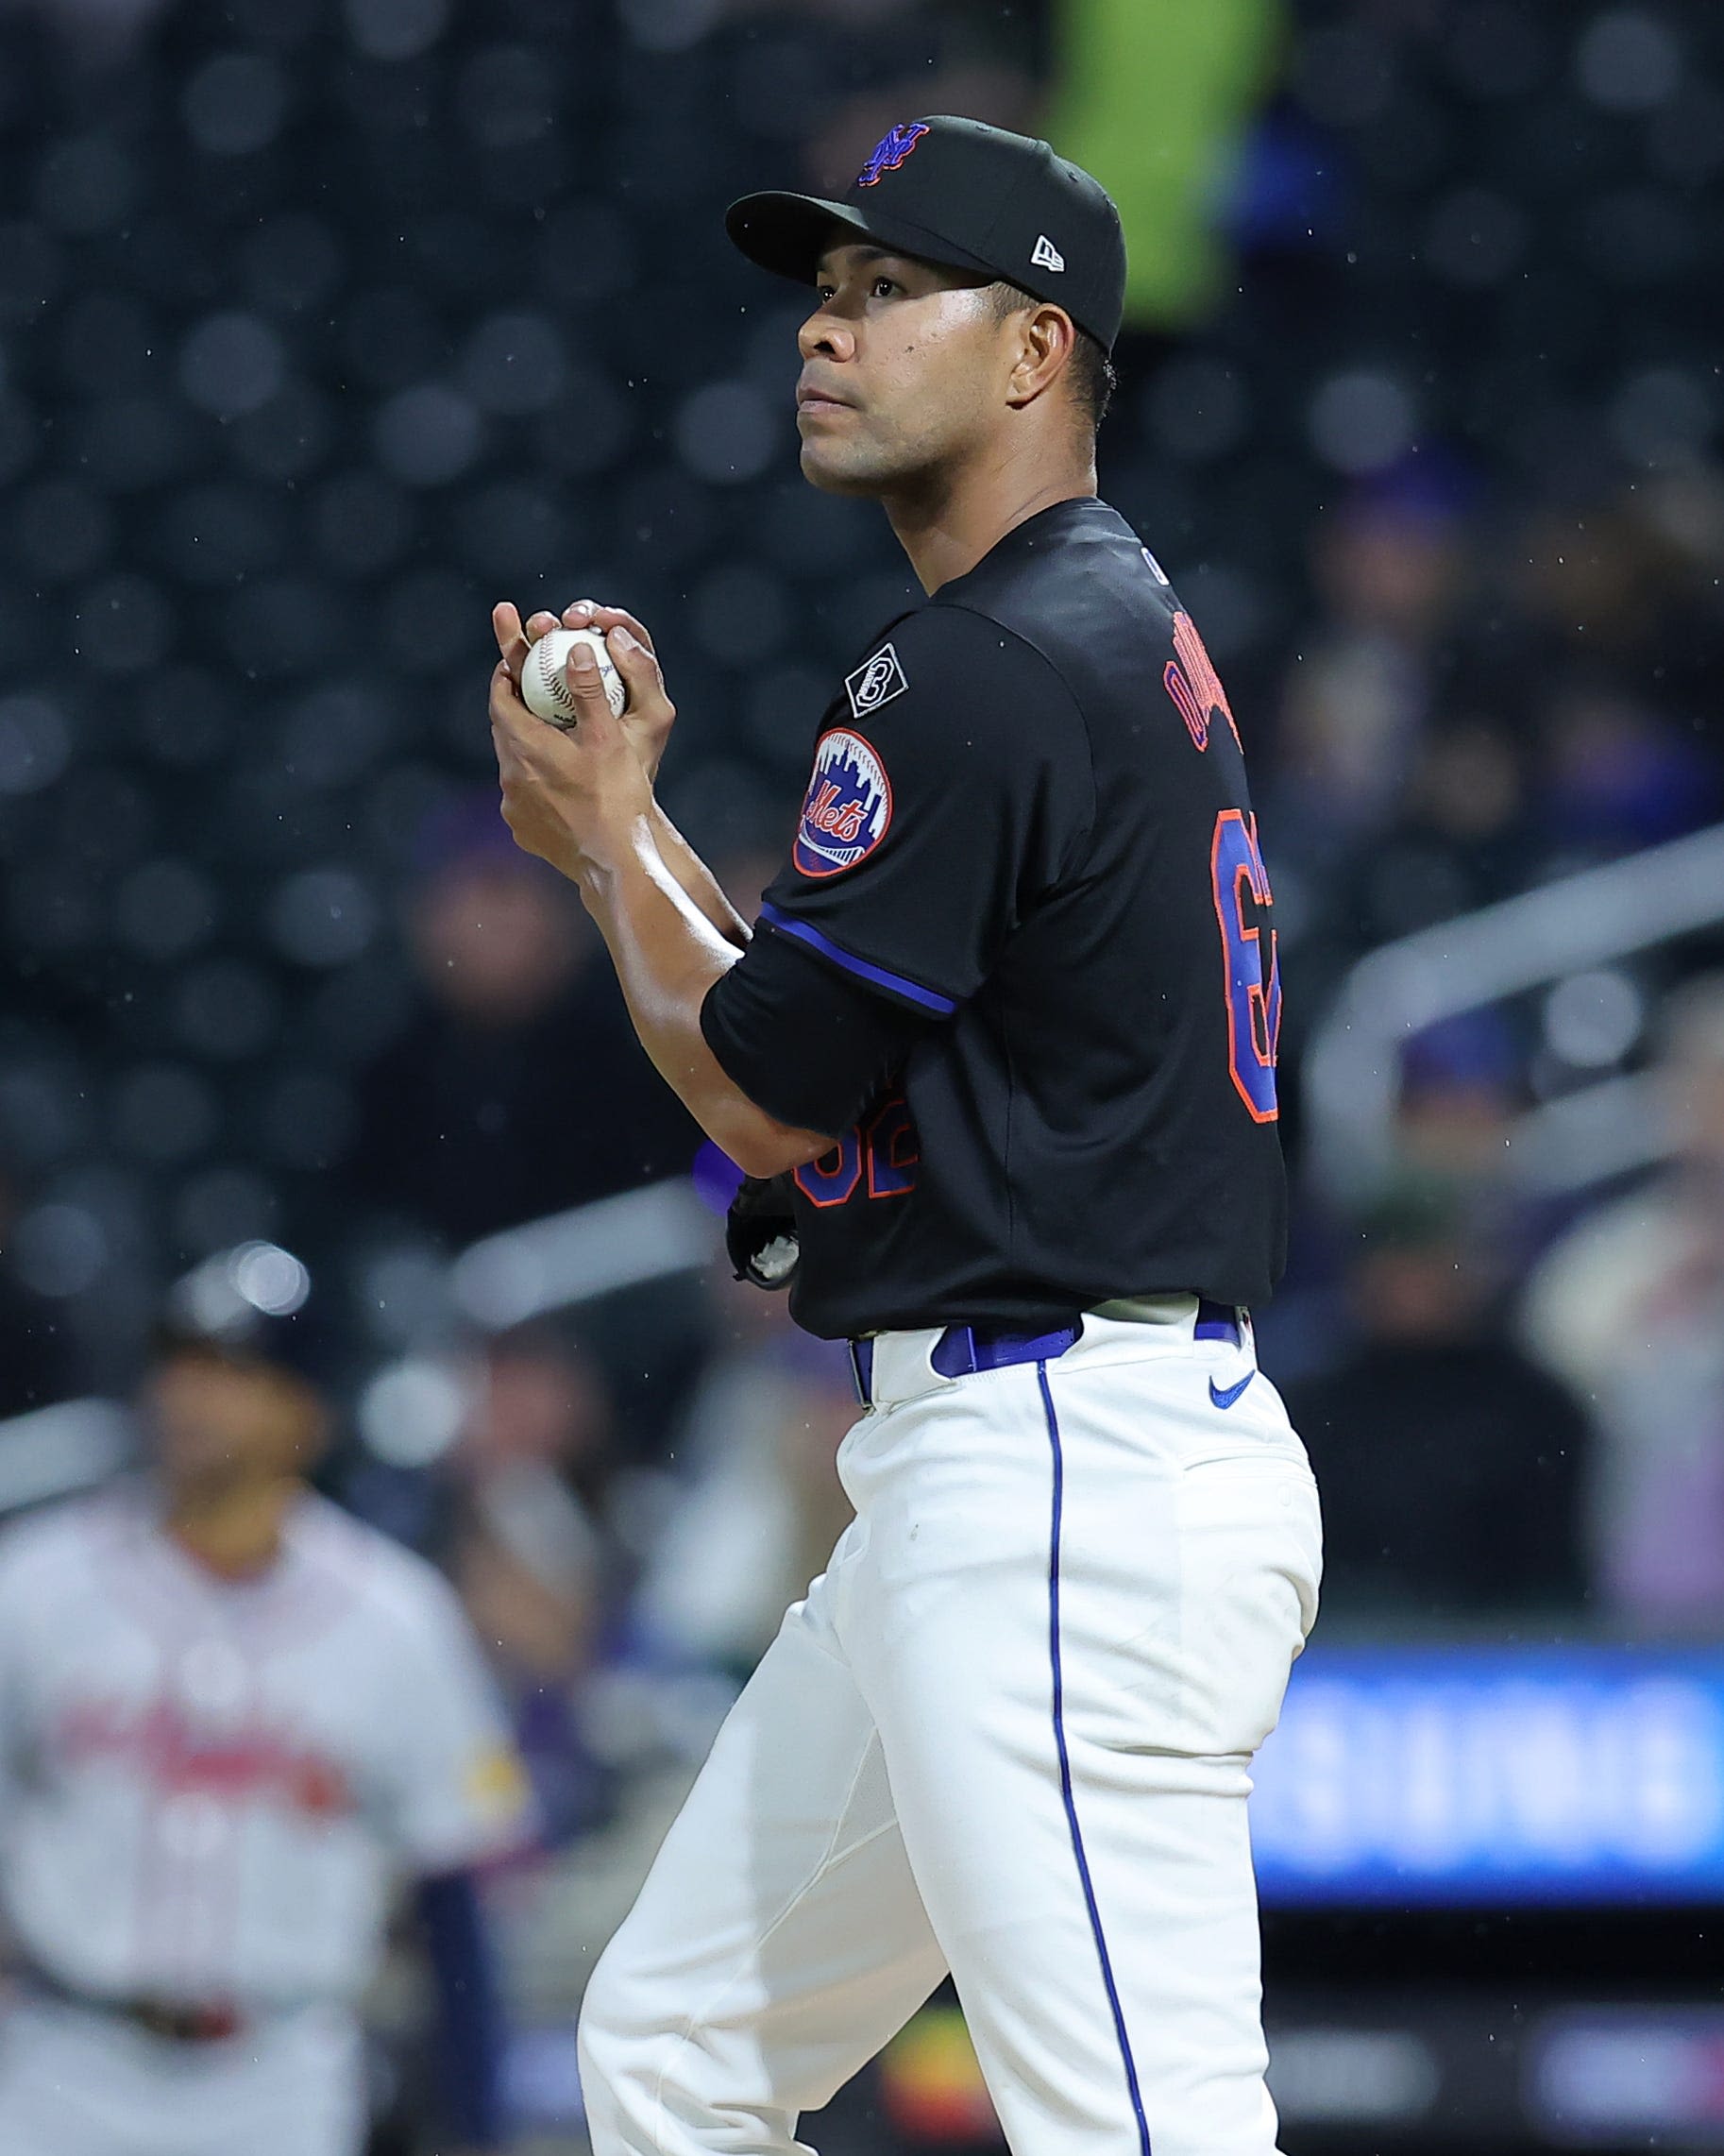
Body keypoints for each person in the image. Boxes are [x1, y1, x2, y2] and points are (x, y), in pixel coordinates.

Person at [486, 115, 1320, 2156]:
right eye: (824, 295)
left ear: (1036, 351)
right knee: (676, 2052)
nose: (827, 335)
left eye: (890, 293)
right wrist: (635, 834)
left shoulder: (986, 657)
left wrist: (607, 841)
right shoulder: (1084, 624)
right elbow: (822, 1044)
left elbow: (763, 1085)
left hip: (1062, 1471)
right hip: (1013, 1454)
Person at [0, 1242, 529, 2156]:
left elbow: (454, 1892)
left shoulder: (397, 1619)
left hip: (283, 2079)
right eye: (182, 1363)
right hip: (59, 2061)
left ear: (309, 1413)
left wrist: (478, 2127)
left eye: (235, 1372)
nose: (193, 1398)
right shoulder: (35, 1586)